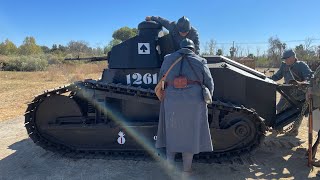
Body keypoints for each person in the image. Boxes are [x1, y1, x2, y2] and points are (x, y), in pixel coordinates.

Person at [155, 38, 214, 174]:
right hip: (194, 103)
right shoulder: (201, 61)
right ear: (192, 49)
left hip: (171, 101)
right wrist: (207, 97)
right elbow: (209, 83)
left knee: (171, 132)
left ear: (180, 47)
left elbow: (161, 79)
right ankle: (187, 170)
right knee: (190, 135)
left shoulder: (168, 59)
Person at [270, 49, 313, 135]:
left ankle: (295, 129)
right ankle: (279, 127)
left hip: (299, 92)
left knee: (298, 110)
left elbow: (309, 78)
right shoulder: (284, 66)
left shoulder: (301, 65)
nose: (285, 60)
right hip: (287, 92)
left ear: (293, 57)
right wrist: (266, 79)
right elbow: (277, 76)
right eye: (284, 59)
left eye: (287, 58)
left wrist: (300, 83)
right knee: (279, 108)